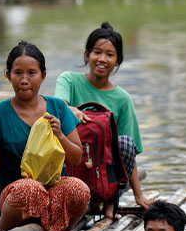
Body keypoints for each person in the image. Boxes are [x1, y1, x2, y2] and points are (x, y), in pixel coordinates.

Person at [0, 41, 91, 231]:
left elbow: (76, 157)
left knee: (79, 189)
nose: (24, 80)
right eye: (18, 73)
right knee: (31, 189)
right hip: (17, 197)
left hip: (53, 193)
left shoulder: (58, 108)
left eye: (32, 73)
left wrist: (60, 136)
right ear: (7, 75)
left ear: (43, 76)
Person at [55, 22, 154, 218]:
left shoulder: (122, 99)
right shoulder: (69, 81)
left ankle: (110, 203)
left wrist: (138, 195)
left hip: (102, 175)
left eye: (110, 54)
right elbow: (58, 107)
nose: (102, 59)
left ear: (118, 61)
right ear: (87, 55)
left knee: (124, 143)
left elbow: (128, 153)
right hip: (70, 165)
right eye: (97, 52)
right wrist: (71, 109)